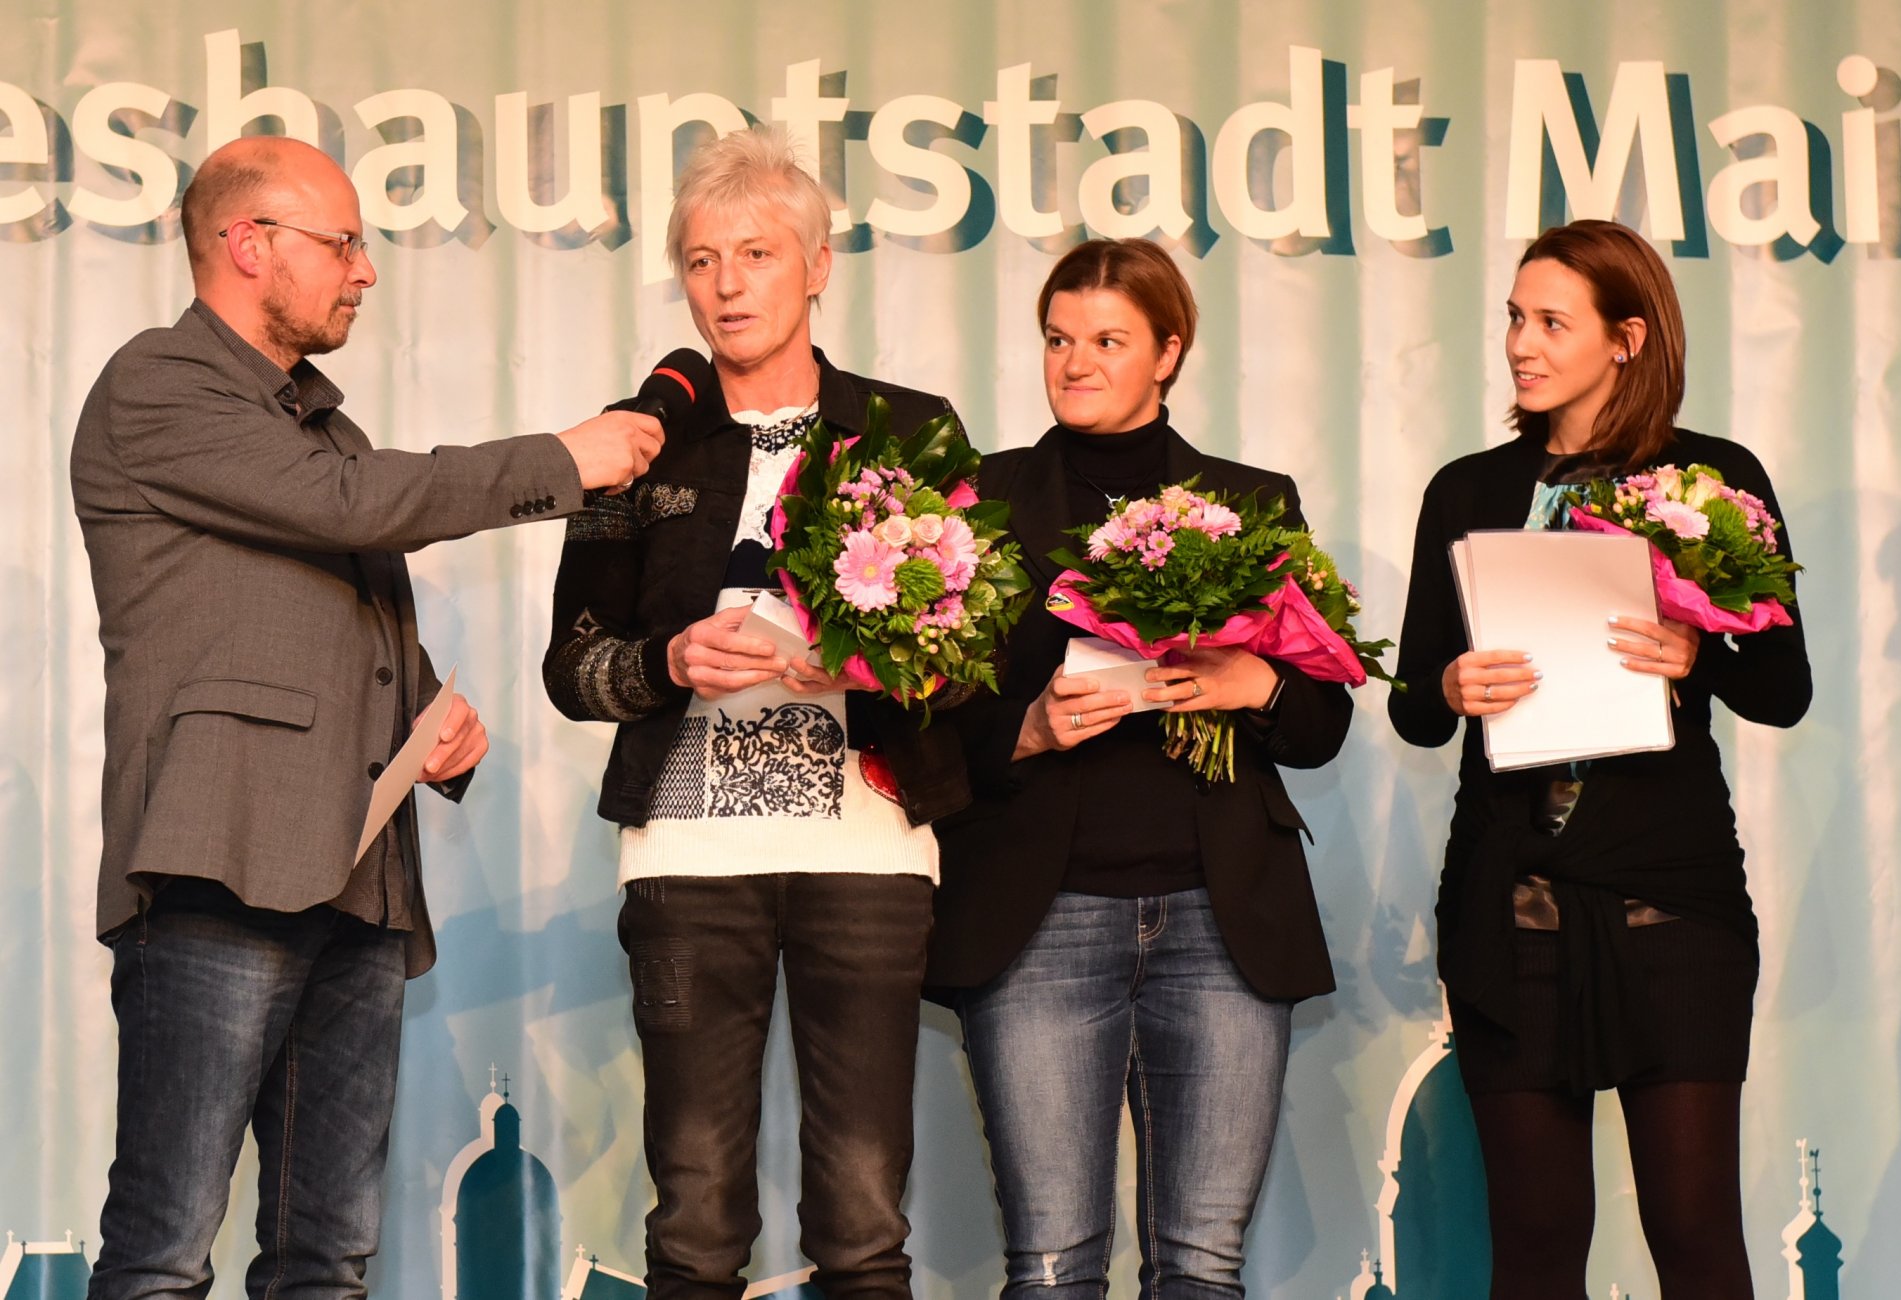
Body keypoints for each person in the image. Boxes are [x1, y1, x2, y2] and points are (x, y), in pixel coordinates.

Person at [70, 136, 660, 1299]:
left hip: (357, 881)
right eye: (342, 242)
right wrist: (562, 459)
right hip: (216, 867)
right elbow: (350, 504)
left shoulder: (319, 428)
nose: (365, 271)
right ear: (249, 245)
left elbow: (334, 602)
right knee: (163, 1250)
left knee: (328, 1259)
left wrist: (430, 723)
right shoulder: (157, 384)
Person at [541, 127, 970, 1299]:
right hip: (687, 860)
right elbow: (570, 667)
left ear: (819, 264)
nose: (726, 284)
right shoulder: (637, 442)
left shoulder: (909, 429)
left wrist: (869, 656)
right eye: (699, 260)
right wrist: (670, 658)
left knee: (865, 1221)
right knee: (693, 1217)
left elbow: (974, 654)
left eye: (757, 253)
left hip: (870, 857)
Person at [1388, 219, 1812, 1299]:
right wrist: (1447, 687)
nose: (1521, 344)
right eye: (1515, 320)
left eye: (1550, 322)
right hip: (1509, 906)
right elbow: (1416, 712)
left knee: (1696, 1234)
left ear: (1627, 337)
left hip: (1674, 903)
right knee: (1532, 1248)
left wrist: (1699, 648)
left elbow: (1783, 689)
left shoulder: (1714, 476)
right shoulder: (1468, 489)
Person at [924, 237, 1355, 1296]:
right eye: (1058, 339)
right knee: (1053, 1265)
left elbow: (1321, 723)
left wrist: (1252, 685)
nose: (1074, 363)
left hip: (1222, 918)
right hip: (1041, 916)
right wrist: (1025, 730)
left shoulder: (1250, 503)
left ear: (1168, 351)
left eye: (1107, 340)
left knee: (1202, 1266)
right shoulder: (978, 501)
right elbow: (919, 724)